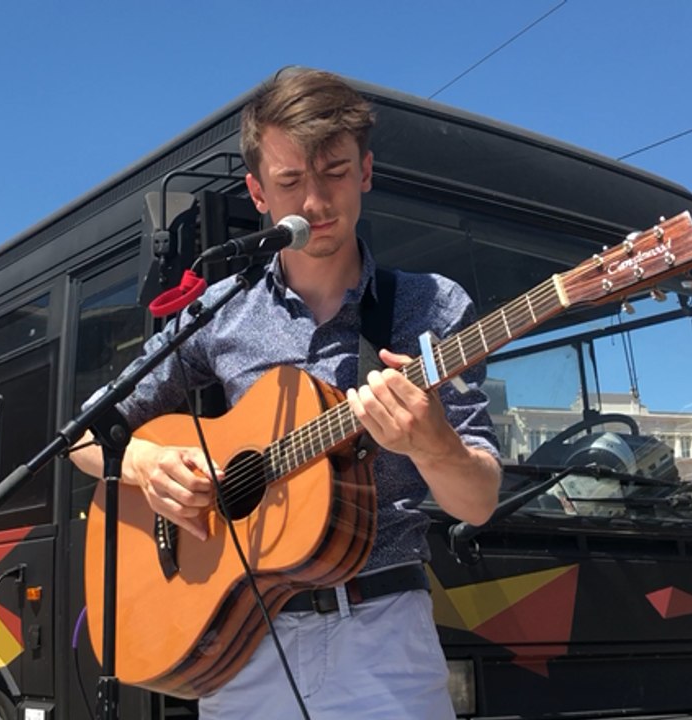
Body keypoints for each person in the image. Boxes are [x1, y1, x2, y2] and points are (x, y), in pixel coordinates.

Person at [71, 68, 501, 718]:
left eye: (333, 172)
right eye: (291, 180)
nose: (316, 201)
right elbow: (85, 434)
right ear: (258, 192)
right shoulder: (220, 311)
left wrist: (434, 444)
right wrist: (147, 464)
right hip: (246, 647)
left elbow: (480, 500)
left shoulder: (431, 308)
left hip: (384, 640)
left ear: (365, 171)